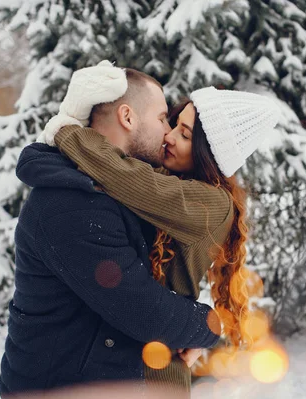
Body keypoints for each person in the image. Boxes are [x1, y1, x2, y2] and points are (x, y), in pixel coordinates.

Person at [40, 62, 280, 396]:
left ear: (206, 154)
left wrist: (66, 129)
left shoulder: (210, 204)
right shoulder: (174, 182)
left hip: (156, 374)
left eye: (184, 135)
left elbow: (124, 176)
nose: (168, 136)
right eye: (173, 124)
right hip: (138, 357)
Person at [0, 62, 222, 397]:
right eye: (162, 119)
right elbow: (140, 307)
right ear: (128, 117)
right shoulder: (70, 203)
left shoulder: (115, 187)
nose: (167, 132)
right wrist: (208, 326)